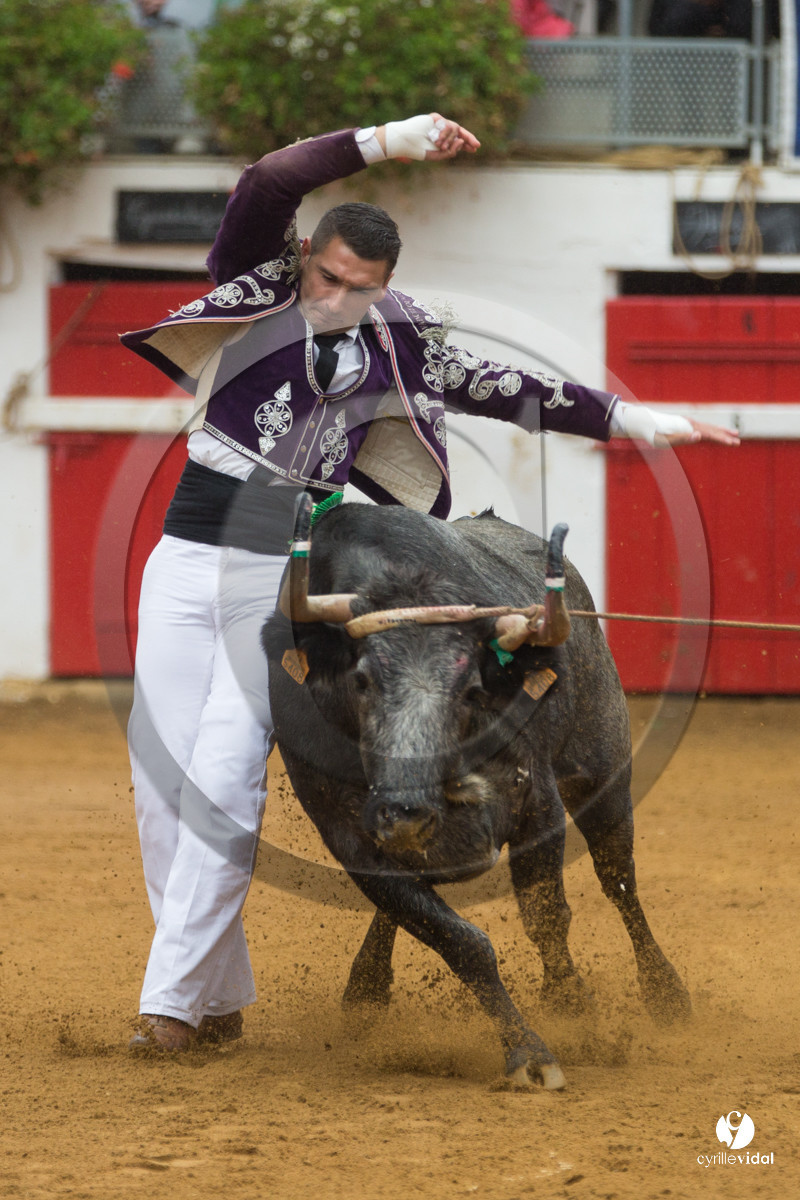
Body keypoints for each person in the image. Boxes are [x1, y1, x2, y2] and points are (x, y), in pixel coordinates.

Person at [120, 112, 738, 1053]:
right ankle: (211, 992)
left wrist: (636, 421)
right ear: (307, 260)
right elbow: (265, 181)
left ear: (382, 287)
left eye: (356, 289)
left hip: (280, 572)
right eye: (325, 277)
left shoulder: (399, 343)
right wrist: (384, 140)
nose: (334, 297)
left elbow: (509, 388)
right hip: (185, 551)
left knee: (227, 778)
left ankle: (166, 1009)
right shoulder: (262, 277)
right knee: (160, 785)